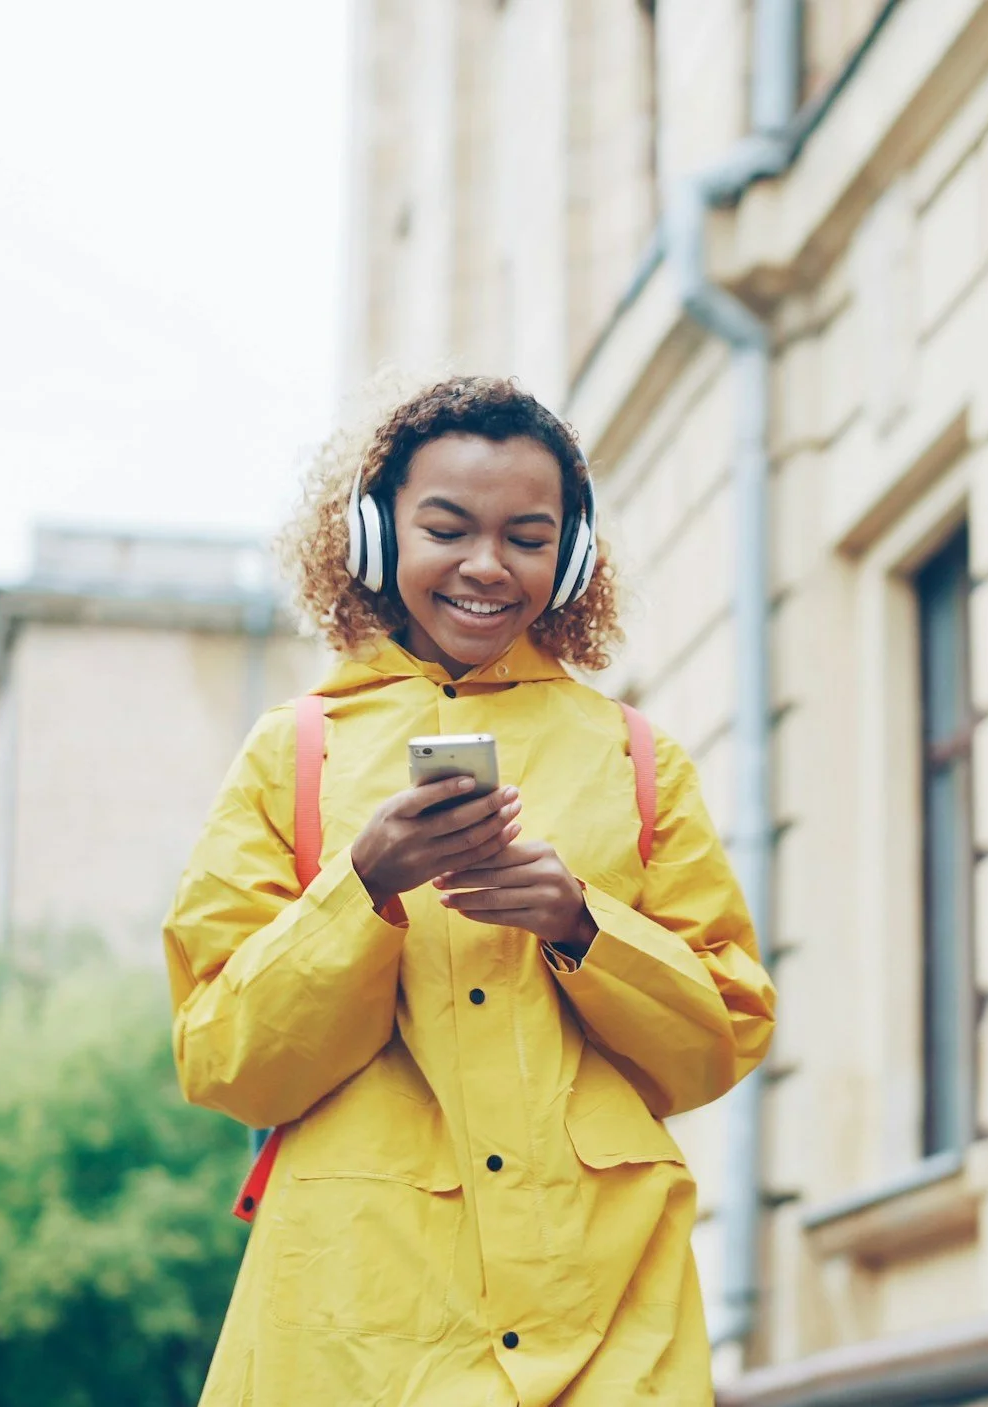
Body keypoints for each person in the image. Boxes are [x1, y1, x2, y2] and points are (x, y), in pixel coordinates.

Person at [163, 375, 775, 1406]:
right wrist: (363, 887)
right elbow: (229, 1063)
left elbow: (718, 1040)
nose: (487, 567)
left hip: (609, 1316)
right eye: (446, 528)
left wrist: (582, 925)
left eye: (528, 538)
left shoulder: (637, 758)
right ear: (372, 535)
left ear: (571, 555)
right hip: (359, 1328)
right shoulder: (292, 754)